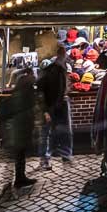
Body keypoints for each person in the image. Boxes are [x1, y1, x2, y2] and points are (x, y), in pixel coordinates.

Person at [37, 38, 72, 169]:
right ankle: (45, 159)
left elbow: (64, 87)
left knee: (64, 131)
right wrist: (45, 109)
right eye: (63, 54)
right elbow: (40, 90)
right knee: (46, 133)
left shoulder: (62, 69)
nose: (65, 56)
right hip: (51, 105)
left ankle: (66, 155)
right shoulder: (50, 70)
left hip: (61, 104)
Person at [5, 67, 39, 191]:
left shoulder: (18, 93)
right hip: (21, 128)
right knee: (20, 154)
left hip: (18, 128)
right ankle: (20, 179)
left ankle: (21, 177)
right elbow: (27, 112)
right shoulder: (25, 97)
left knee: (20, 155)